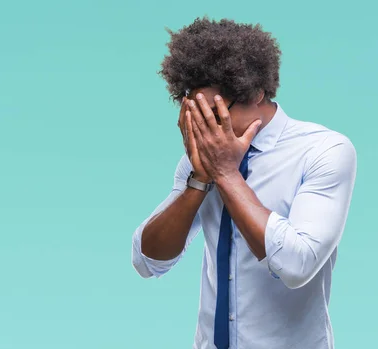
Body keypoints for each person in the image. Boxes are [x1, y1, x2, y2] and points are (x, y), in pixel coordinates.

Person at [131, 17, 357, 349]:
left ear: (256, 93)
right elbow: (147, 261)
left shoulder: (324, 151)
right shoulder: (201, 161)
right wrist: (201, 179)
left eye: (213, 114)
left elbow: (297, 264)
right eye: (192, 113)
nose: (202, 129)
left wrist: (225, 174)